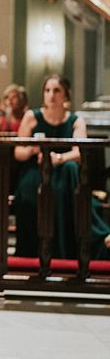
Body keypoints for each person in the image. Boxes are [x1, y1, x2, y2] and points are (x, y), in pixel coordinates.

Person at [13, 75, 110, 259]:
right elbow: (18, 152)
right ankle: (32, 252)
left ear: (66, 95)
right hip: (36, 169)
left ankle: (64, 250)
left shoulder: (75, 120)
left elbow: (79, 152)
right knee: (29, 191)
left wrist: (58, 158)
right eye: (47, 90)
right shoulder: (32, 116)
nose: (51, 95)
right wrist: (32, 150)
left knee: (69, 172)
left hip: (63, 171)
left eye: (56, 90)